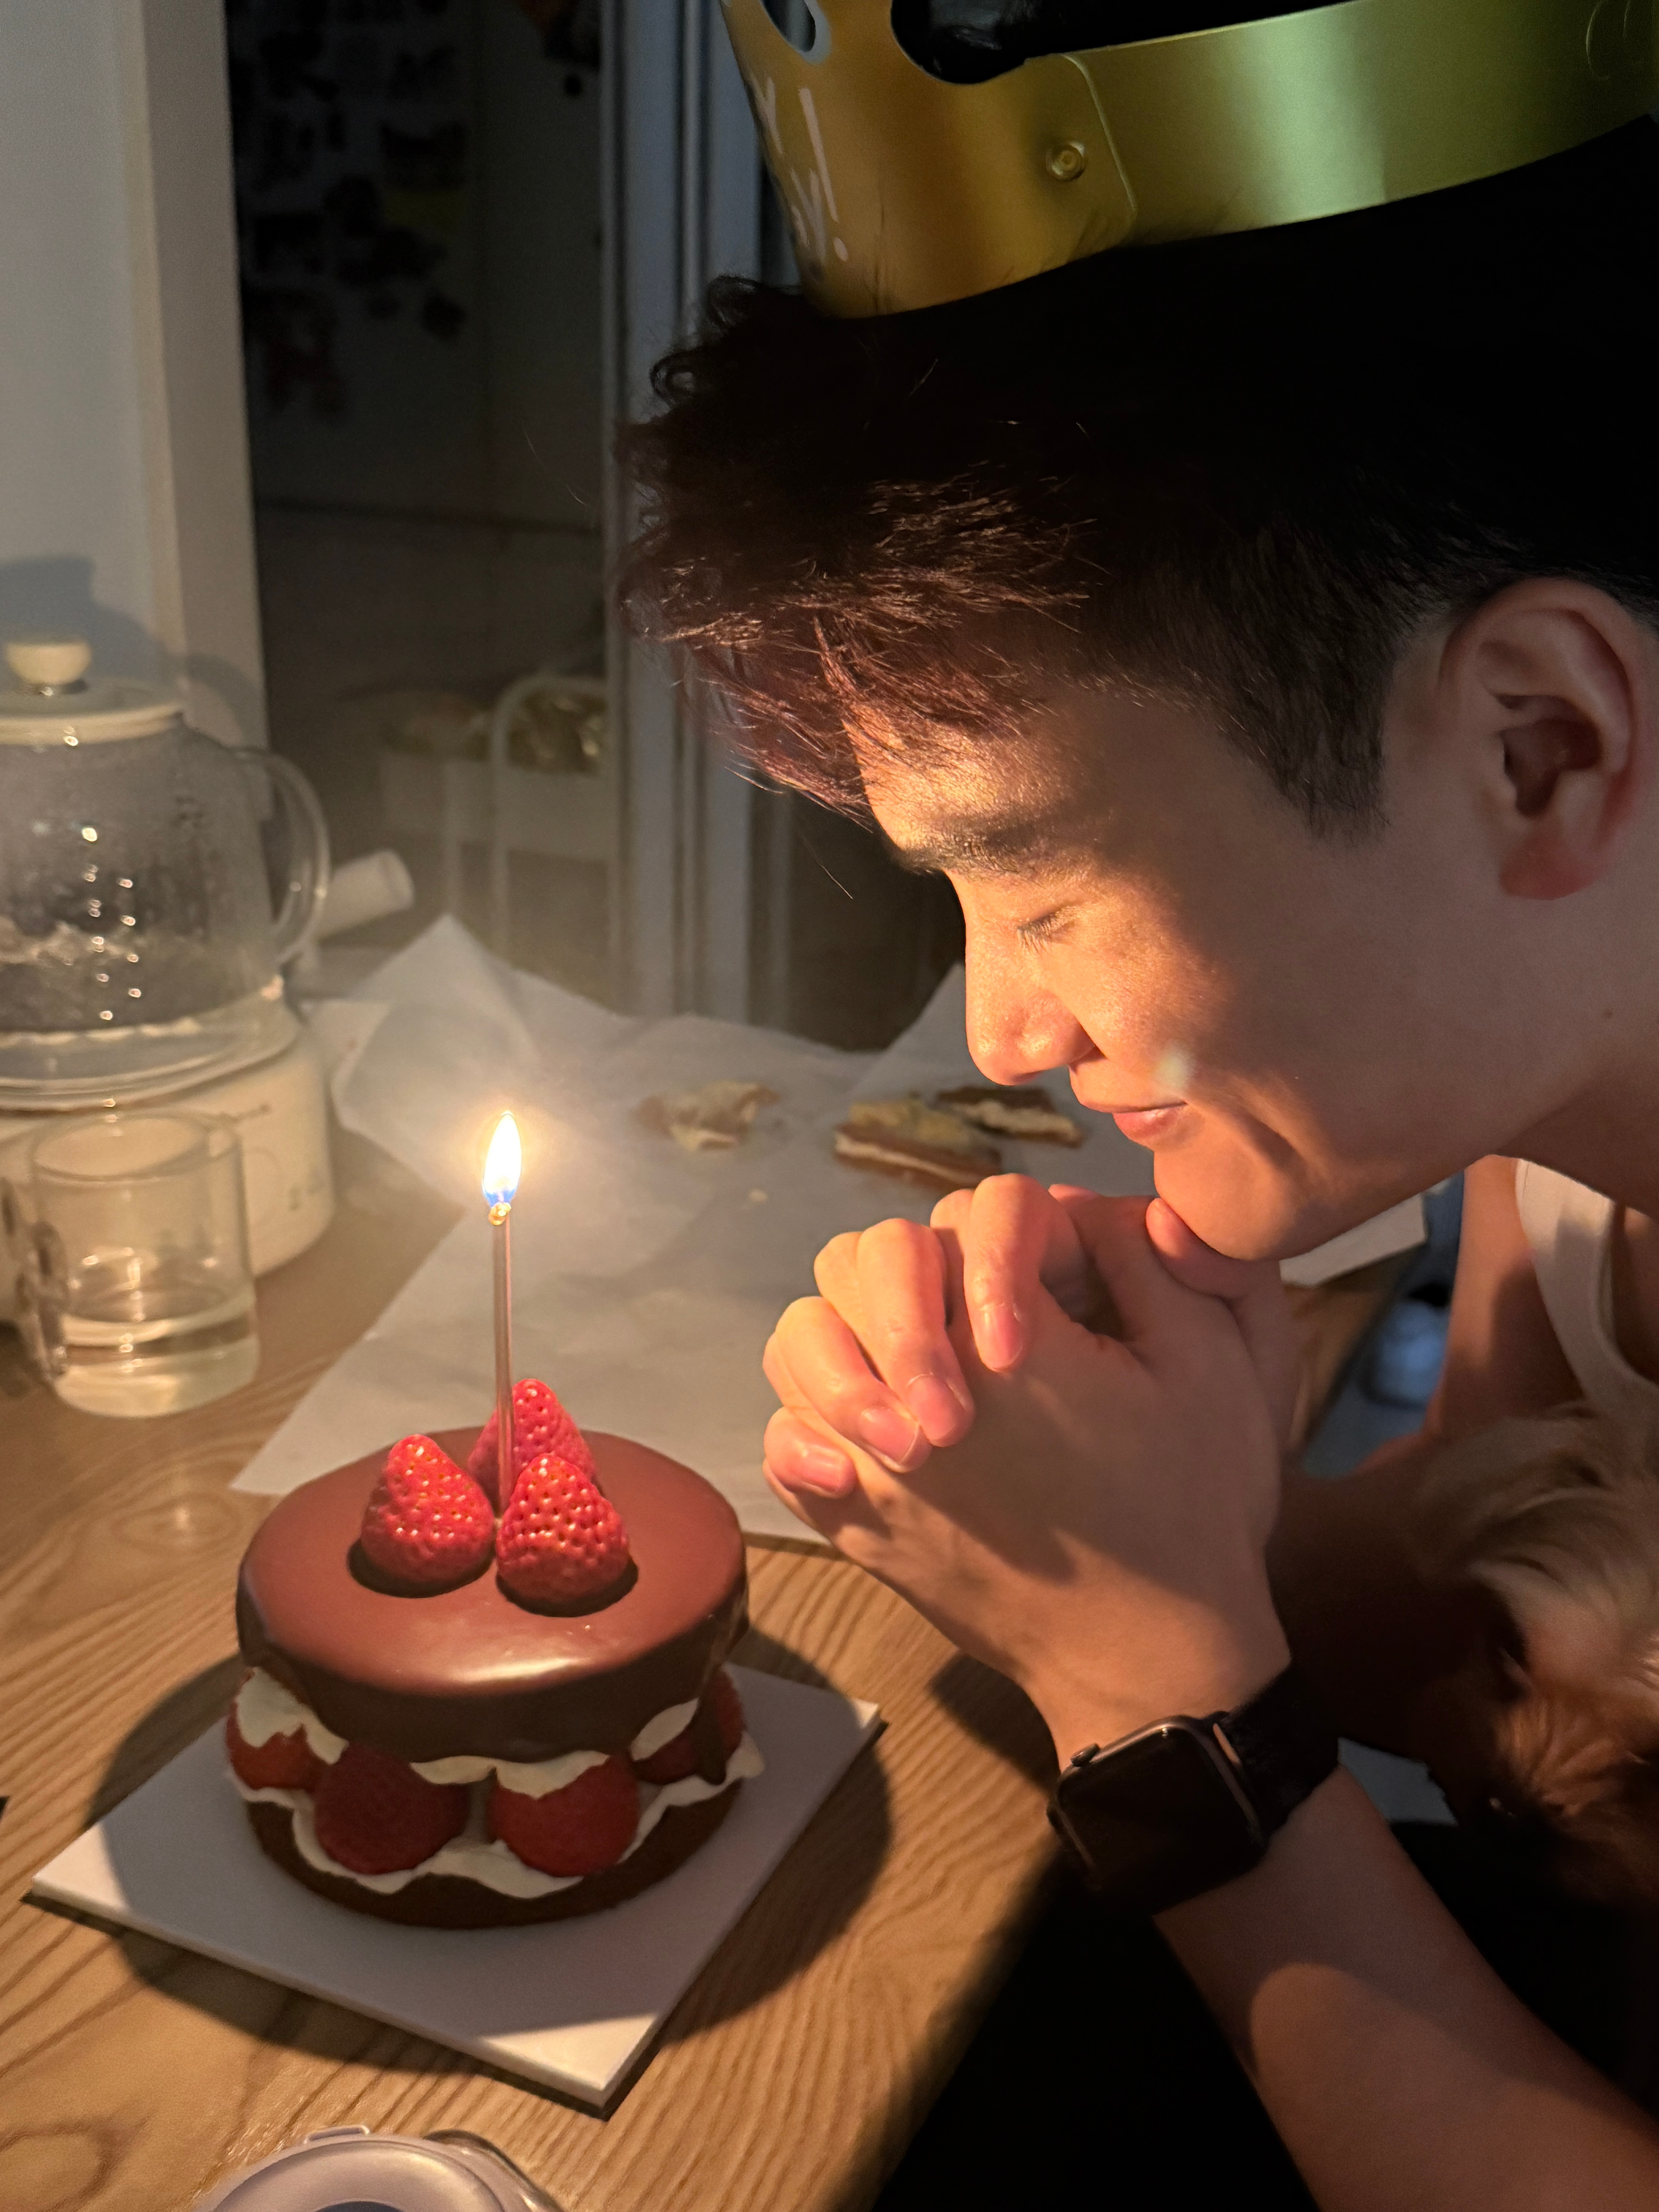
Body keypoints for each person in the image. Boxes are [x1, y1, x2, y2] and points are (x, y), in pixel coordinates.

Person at [619, 5, 1659, 2201]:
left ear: (1540, 747)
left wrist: (1161, 1713)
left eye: (1047, 875)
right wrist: (1134, 1501)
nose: (1005, 1027)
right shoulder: (1565, 1124)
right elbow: (1467, 1594)